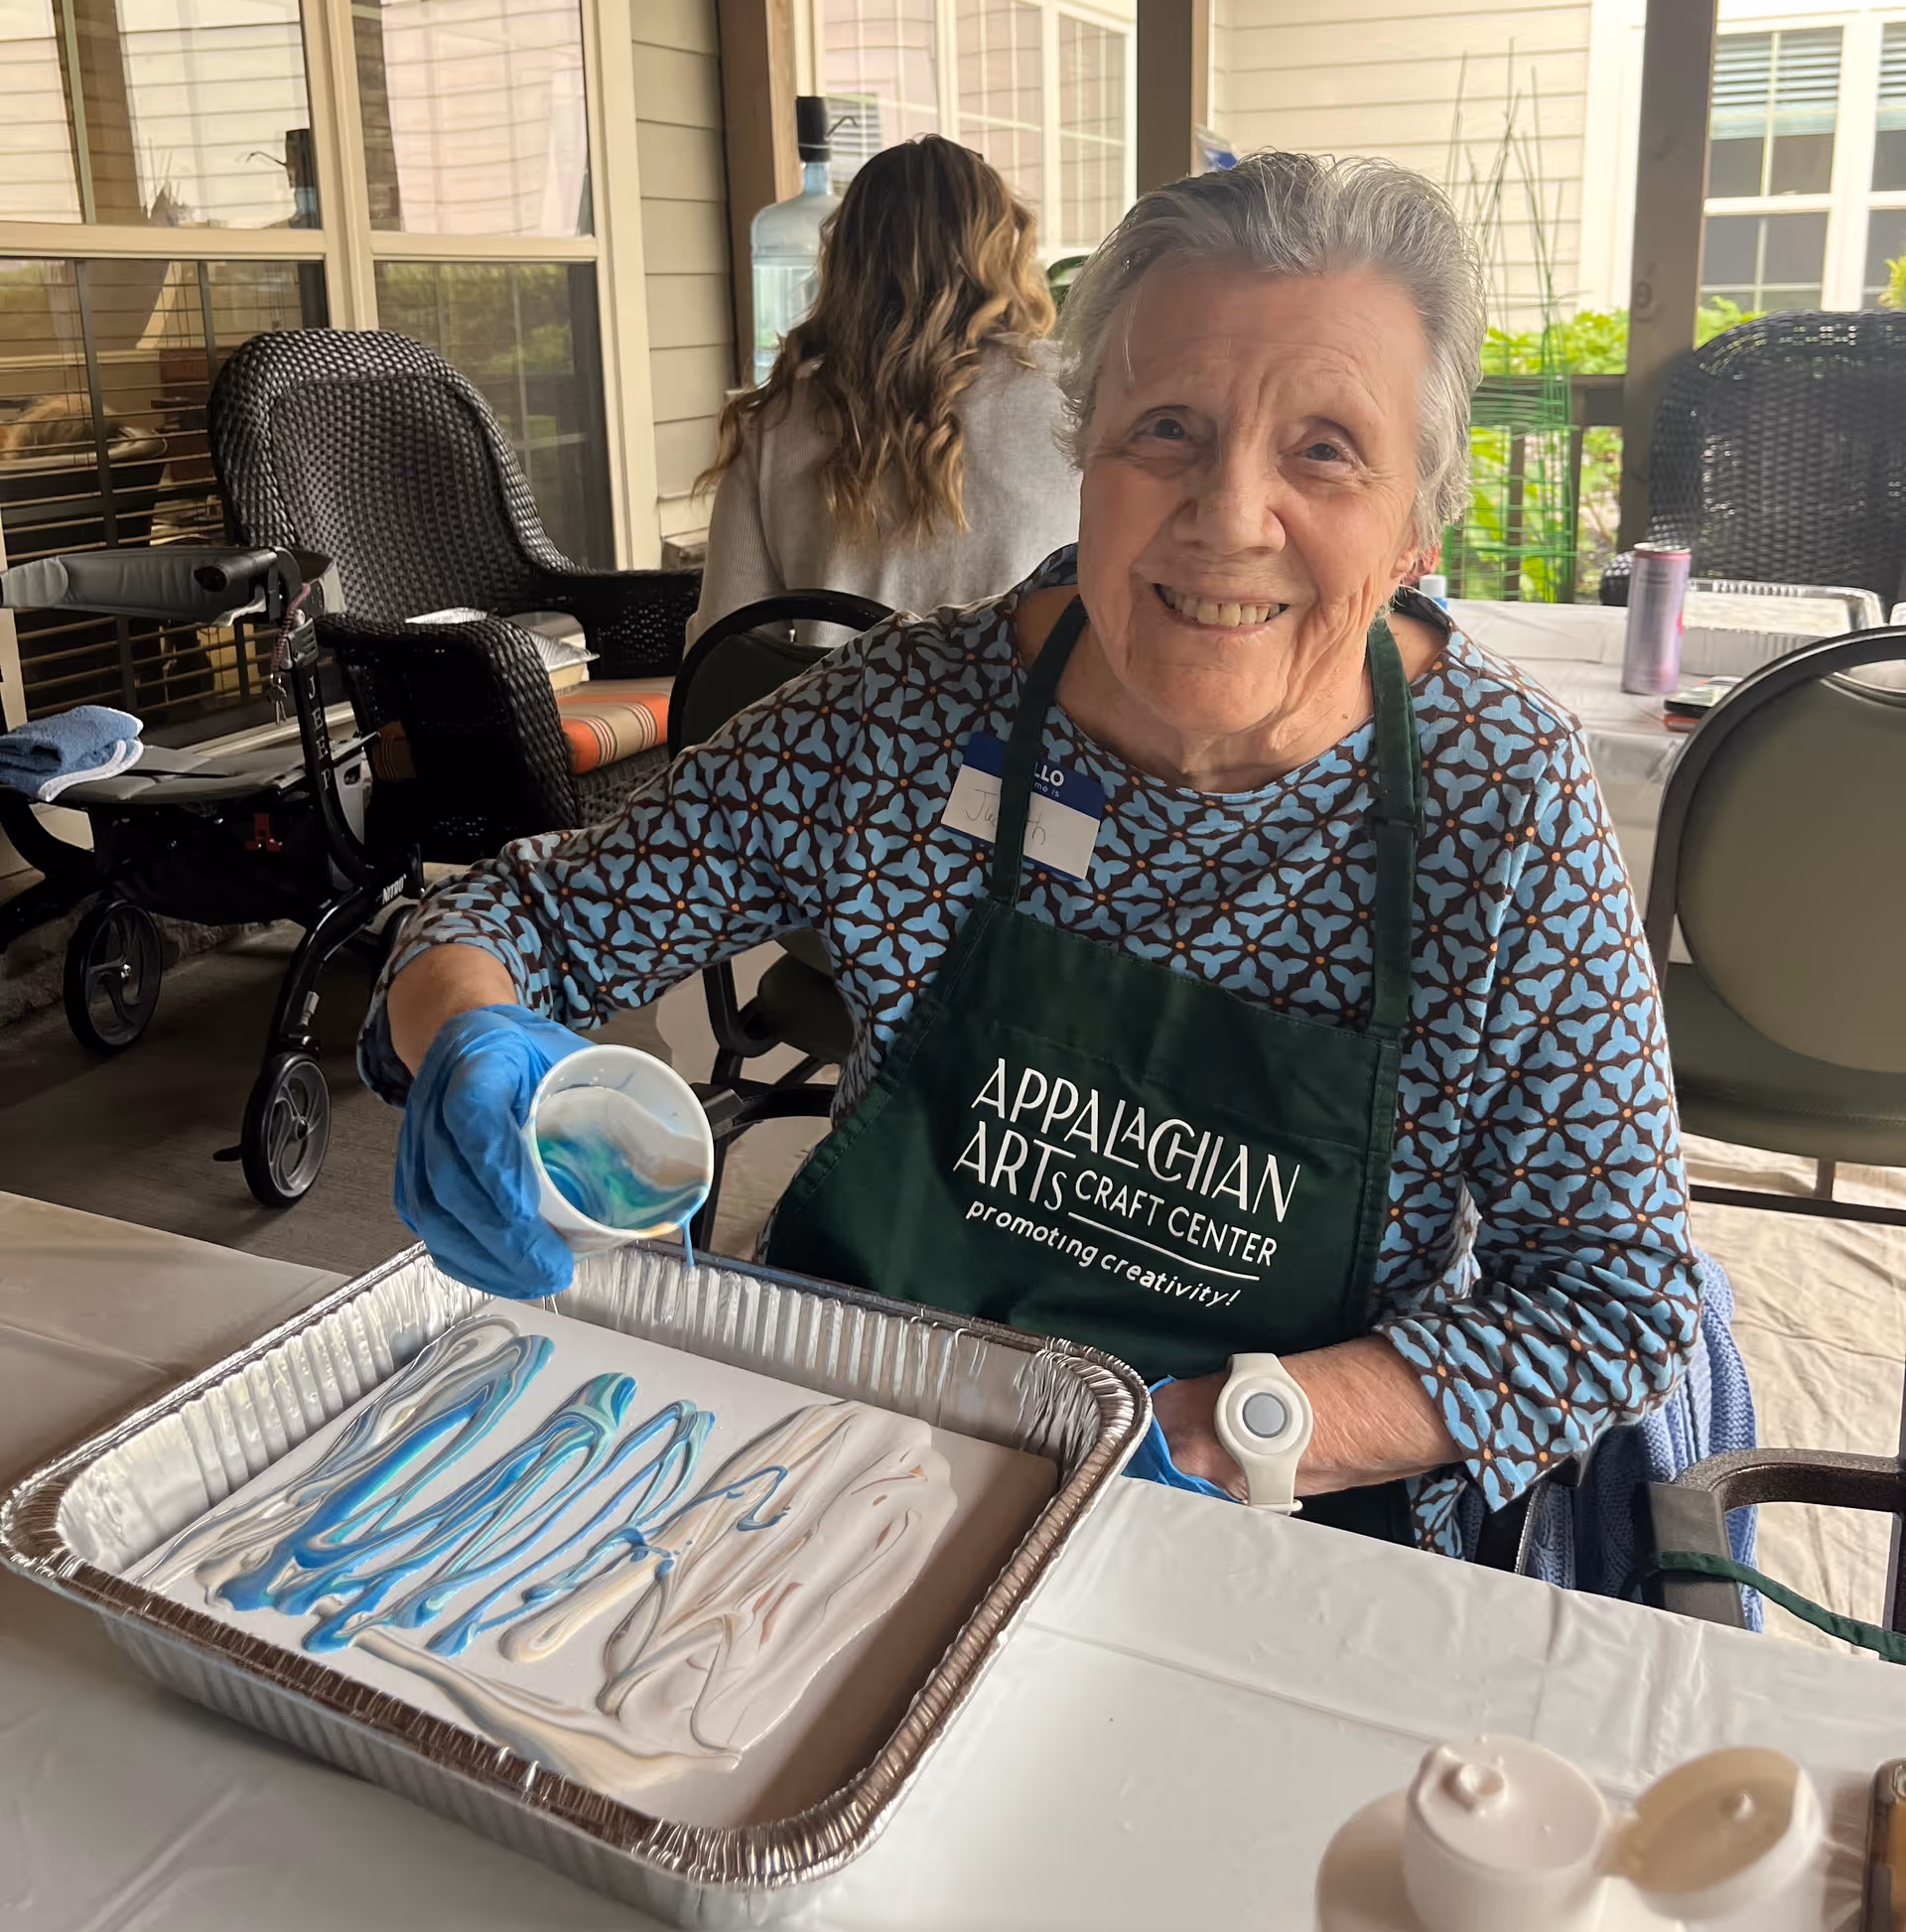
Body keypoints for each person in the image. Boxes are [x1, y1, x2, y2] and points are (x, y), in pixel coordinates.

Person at [365, 150, 1701, 1558]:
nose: (1229, 514)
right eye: (1168, 429)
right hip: (840, 1460)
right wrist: (466, 1041)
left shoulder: (1504, 802)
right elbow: (514, 925)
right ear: (1084, 455)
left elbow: (1615, 1296)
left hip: (1256, 1517)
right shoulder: (903, 718)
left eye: (1324, 448)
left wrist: (1224, 1432)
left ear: (1417, 523)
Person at [686, 135, 1078, 641]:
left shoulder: (774, 423)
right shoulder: (1074, 396)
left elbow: (726, 650)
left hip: (843, 721)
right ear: (1006, 249)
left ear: (845, 259)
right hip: (1034, 720)